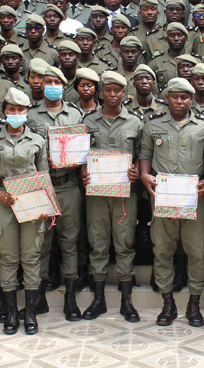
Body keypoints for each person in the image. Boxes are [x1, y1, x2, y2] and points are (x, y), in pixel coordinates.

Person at [0, 88, 49, 335]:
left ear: (27, 112)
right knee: (7, 258)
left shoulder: (37, 140)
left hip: (31, 203)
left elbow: (43, 176)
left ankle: (28, 313)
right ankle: (9, 314)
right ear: (4, 112)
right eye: (12, 110)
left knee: (30, 257)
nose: (16, 114)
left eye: (21, 110)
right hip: (4, 202)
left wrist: (45, 206)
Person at [81, 71, 143, 322]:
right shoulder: (88, 120)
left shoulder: (135, 122)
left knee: (125, 243)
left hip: (123, 194)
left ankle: (127, 301)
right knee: (97, 243)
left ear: (124, 93)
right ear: (101, 92)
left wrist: (135, 170)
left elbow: (141, 154)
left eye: (118, 90)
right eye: (108, 90)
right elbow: (79, 155)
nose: (113, 94)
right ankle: (99, 300)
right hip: (95, 193)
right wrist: (83, 172)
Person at [27, 66, 85, 322]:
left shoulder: (75, 114)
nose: (51, 85)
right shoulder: (30, 115)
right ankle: (38, 298)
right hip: (41, 186)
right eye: (47, 81)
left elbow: (84, 148)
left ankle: (70, 300)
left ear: (63, 85)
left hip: (68, 185)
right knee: (40, 244)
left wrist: (79, 163)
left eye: (56, 82)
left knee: (69, 243)